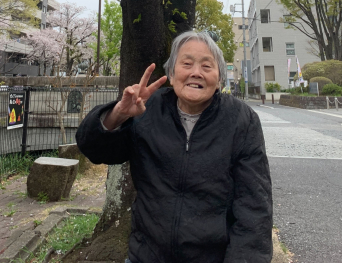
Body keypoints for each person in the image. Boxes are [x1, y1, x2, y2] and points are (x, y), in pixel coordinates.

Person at [76, 31, 273, 263]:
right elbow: (93, 149)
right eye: (186, 64)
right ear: (171, 74)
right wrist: (118, 114)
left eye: (207, 66)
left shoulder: (241, 120)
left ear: (219, 78)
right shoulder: (147, 109)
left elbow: (254, 206)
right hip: (146, 256)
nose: (196, 72)